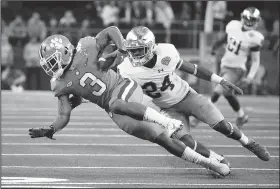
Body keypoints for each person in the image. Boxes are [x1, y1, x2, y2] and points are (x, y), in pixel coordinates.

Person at [28, 26, 230, 177]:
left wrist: (123, 48)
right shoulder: (59, 83)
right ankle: (210, 163)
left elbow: (111, 31)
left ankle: (167, 121)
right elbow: (64, 113)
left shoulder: (85, 47)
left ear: (64, 51)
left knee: (119, 104)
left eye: (52, 61)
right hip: (113, 109)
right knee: (160, 138)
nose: (51, 68)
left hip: (124, 87)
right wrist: (52, 129)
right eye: (48, 64)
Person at [117, 26, 270, 162]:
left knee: (222, 126)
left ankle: (249, 143)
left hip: (188, 97)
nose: (135, 54)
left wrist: (220, 80)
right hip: (168, 108)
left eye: (139, 50)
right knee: (185, 142)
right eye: (132, 50)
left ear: (150, 47)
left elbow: (193, 69)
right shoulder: (126, 69)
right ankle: (216, 159)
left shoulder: (166, 52)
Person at [194, 7, 264, 129]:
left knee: (216, 92)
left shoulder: (255, 38)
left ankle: (199, 117)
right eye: (248, 19)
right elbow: (223, 39)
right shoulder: (233, 26)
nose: (249, 22)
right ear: (242, 17)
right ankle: (241, 116)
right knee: (228, 94)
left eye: (252, 20)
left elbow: (255, 60)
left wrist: (250, 77)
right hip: (225, 65)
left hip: (237, 69)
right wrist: (214, 47)